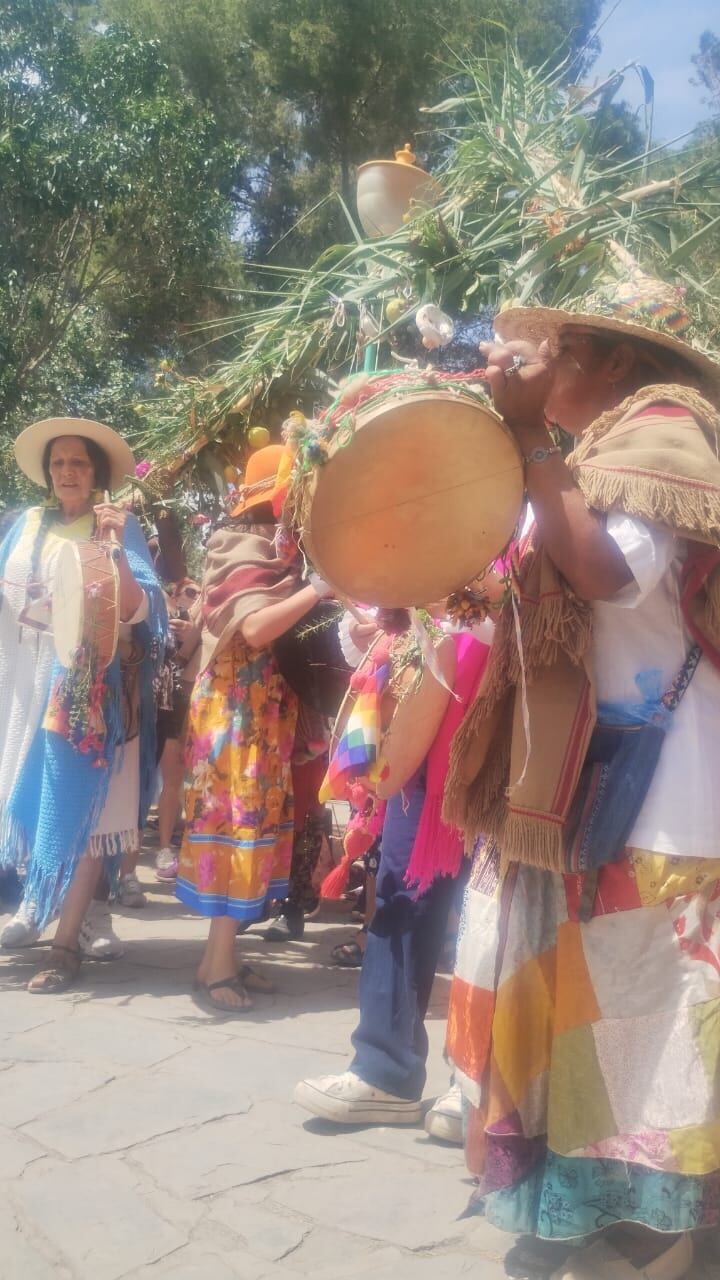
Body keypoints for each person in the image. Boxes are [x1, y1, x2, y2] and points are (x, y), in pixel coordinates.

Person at [443, 280, 720, 1279]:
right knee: (593, 1020)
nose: (522, 363)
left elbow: (605, 572)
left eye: (543, 348)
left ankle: (654, 1237)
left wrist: (531, 446)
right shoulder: (590, 452)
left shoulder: (663, 436)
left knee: (640, 1029)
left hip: (661, 799)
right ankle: (602, 1213)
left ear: (605, 358)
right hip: (590, 791)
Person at [295, 608, 489, 1136]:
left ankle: (477, 1082)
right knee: (400, 894)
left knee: (492, 913)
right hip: (423, 734)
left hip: (502, 721)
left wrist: (467, 602)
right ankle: (385, 1072)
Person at [0, 417, 165, 991]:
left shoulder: (117, 528)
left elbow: (142, 615)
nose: (67, 471)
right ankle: (34, 904)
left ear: (96, 474)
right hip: (18, 680)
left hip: (82, 686)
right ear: (48, 472)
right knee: (22, 794)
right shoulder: (22, 526)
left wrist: (116, 549)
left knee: (85, 814)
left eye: (79, 463)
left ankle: (71, 937)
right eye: (59, 462)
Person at [175, 445, 332, 1015]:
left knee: (257, 828)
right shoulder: (236, 545)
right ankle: (216, 963)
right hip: (233, 718)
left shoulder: (282, 554)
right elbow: (259, 629)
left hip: (263, 719)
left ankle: (224, 957)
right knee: (236, 826)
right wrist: (319, 588)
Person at [154, 577, 202, 881]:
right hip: (173, 700)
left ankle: (190, 851)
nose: (193, 597)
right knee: (172, 780)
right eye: (189, 592)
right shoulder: (167, 611)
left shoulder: (206, 612)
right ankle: (164, 850)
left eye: (197, 592)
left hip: (200, 698)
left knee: (197, 781)